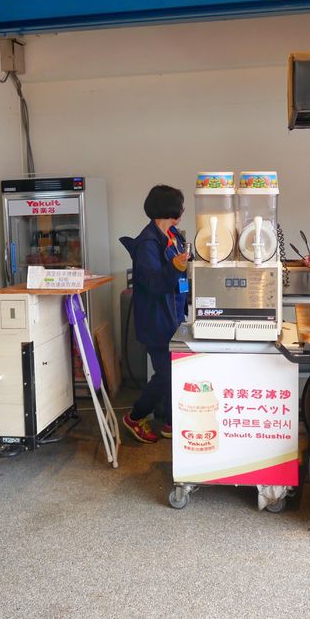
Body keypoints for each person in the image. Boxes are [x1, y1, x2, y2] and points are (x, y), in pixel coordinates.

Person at [119, 185, 190, 443]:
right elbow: (155, 283)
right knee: (166, 373)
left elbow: (179, 277)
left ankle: (170, 423)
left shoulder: (173, 235)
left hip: (173, 316)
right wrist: (174, 266)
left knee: (174, 370)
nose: (182, 211)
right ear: (170, 209)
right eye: (180, 206)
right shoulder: (147, 243)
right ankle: (135, 417)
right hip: (155, 321)